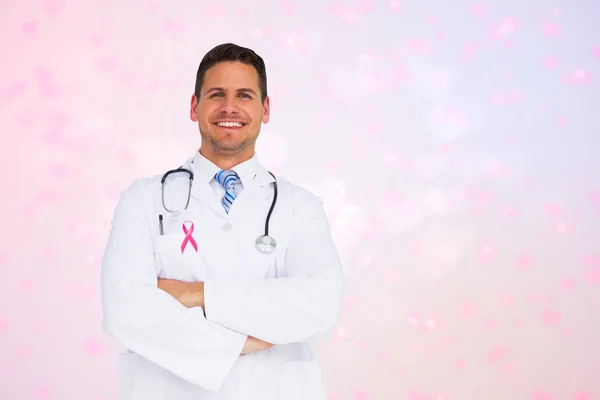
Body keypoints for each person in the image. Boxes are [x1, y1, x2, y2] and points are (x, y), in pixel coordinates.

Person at [100, 42, 345, 400]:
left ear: (265, 109)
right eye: (217, 94)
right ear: (194, 107)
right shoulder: (142, 199)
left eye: (244, 95)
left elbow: (322, 305)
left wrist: (191, 295)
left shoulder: (300, 206)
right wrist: (246, 342)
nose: (230, 107)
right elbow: (125, 309)